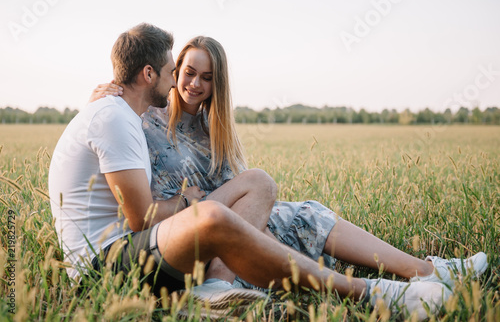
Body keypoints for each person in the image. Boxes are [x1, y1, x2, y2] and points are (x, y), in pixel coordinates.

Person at [87, 34, 484, 319]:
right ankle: (221, 286)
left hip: (228, 217)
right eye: (189, 72)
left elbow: (238, 191)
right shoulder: (143, 117)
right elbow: (114, 133)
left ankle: (427, 269)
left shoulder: (214, 129)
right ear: (171, 73)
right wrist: (107, 94)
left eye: (207, 78)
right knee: (284, 205)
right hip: (186, 229)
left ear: (217, 84)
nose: (195, 84)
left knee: (306, 215)